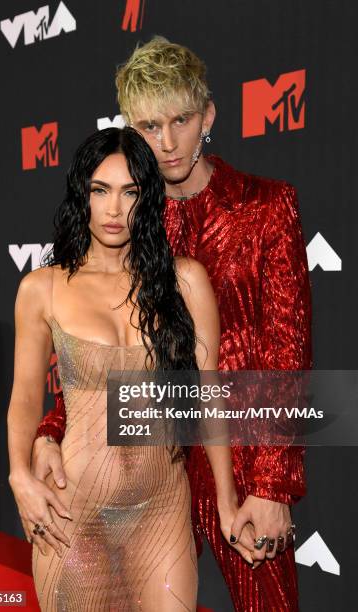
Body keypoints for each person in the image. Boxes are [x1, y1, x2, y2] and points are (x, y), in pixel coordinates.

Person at [32, 38, 311, 611]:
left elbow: (287, 350)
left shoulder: (266, 207)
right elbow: (100, 345)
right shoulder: (125, 220)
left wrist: (270, 484)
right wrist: (51, 429)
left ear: (206, 116)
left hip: (241, 449)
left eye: (180, 120)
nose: (166, 142)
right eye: (149, 126)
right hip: (144, 460)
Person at [7, 126, 256, 611]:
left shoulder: (185, 280)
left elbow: (208, 397)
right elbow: (23, 397)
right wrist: (20, 475)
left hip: (161, 510)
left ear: (149, 198)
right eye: (100, 191)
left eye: (130, 192)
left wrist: (227, 501)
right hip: (74, 513)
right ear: (83, 195)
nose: (115, 209)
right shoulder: (43, 288)